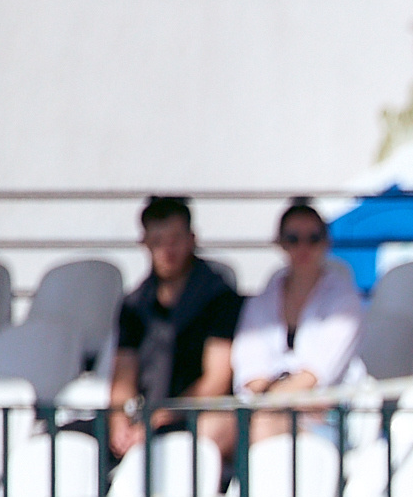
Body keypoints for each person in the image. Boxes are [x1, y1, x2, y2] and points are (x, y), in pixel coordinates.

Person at [108, 196, 242, 460]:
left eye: (175, 240)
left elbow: (216, 380)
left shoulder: (219, 297)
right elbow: (123, 377)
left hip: (195, 417)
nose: (167, 251)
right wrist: (116, 425)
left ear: (192, 239)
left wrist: (158, 419)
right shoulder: (135, 304)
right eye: (158, 242)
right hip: (145, 421)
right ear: (144, 243)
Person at [233, 200, 365, 446]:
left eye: (313, 238)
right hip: (271, 411)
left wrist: (270, 400)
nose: (303, 247)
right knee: (226, 427)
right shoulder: (263, 299)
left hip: (331, 420)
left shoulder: (345, 301)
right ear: (280, 243)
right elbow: (249, 371)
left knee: (261, 427)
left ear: (326, 242)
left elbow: (317, 375)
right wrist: (277, 400)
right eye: (293, 239)